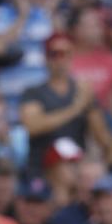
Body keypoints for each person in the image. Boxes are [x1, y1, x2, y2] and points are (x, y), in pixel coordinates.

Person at [20, 33, 94, 176]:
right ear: (46, 57)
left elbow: (99, 133)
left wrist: (90, 106)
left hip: (76, 169)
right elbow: (33, 126)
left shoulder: (82, 91)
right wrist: (75, 108)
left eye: (67, 53)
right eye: (56, 54)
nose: (62, 59)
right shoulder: (34, 92)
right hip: (41, 169)